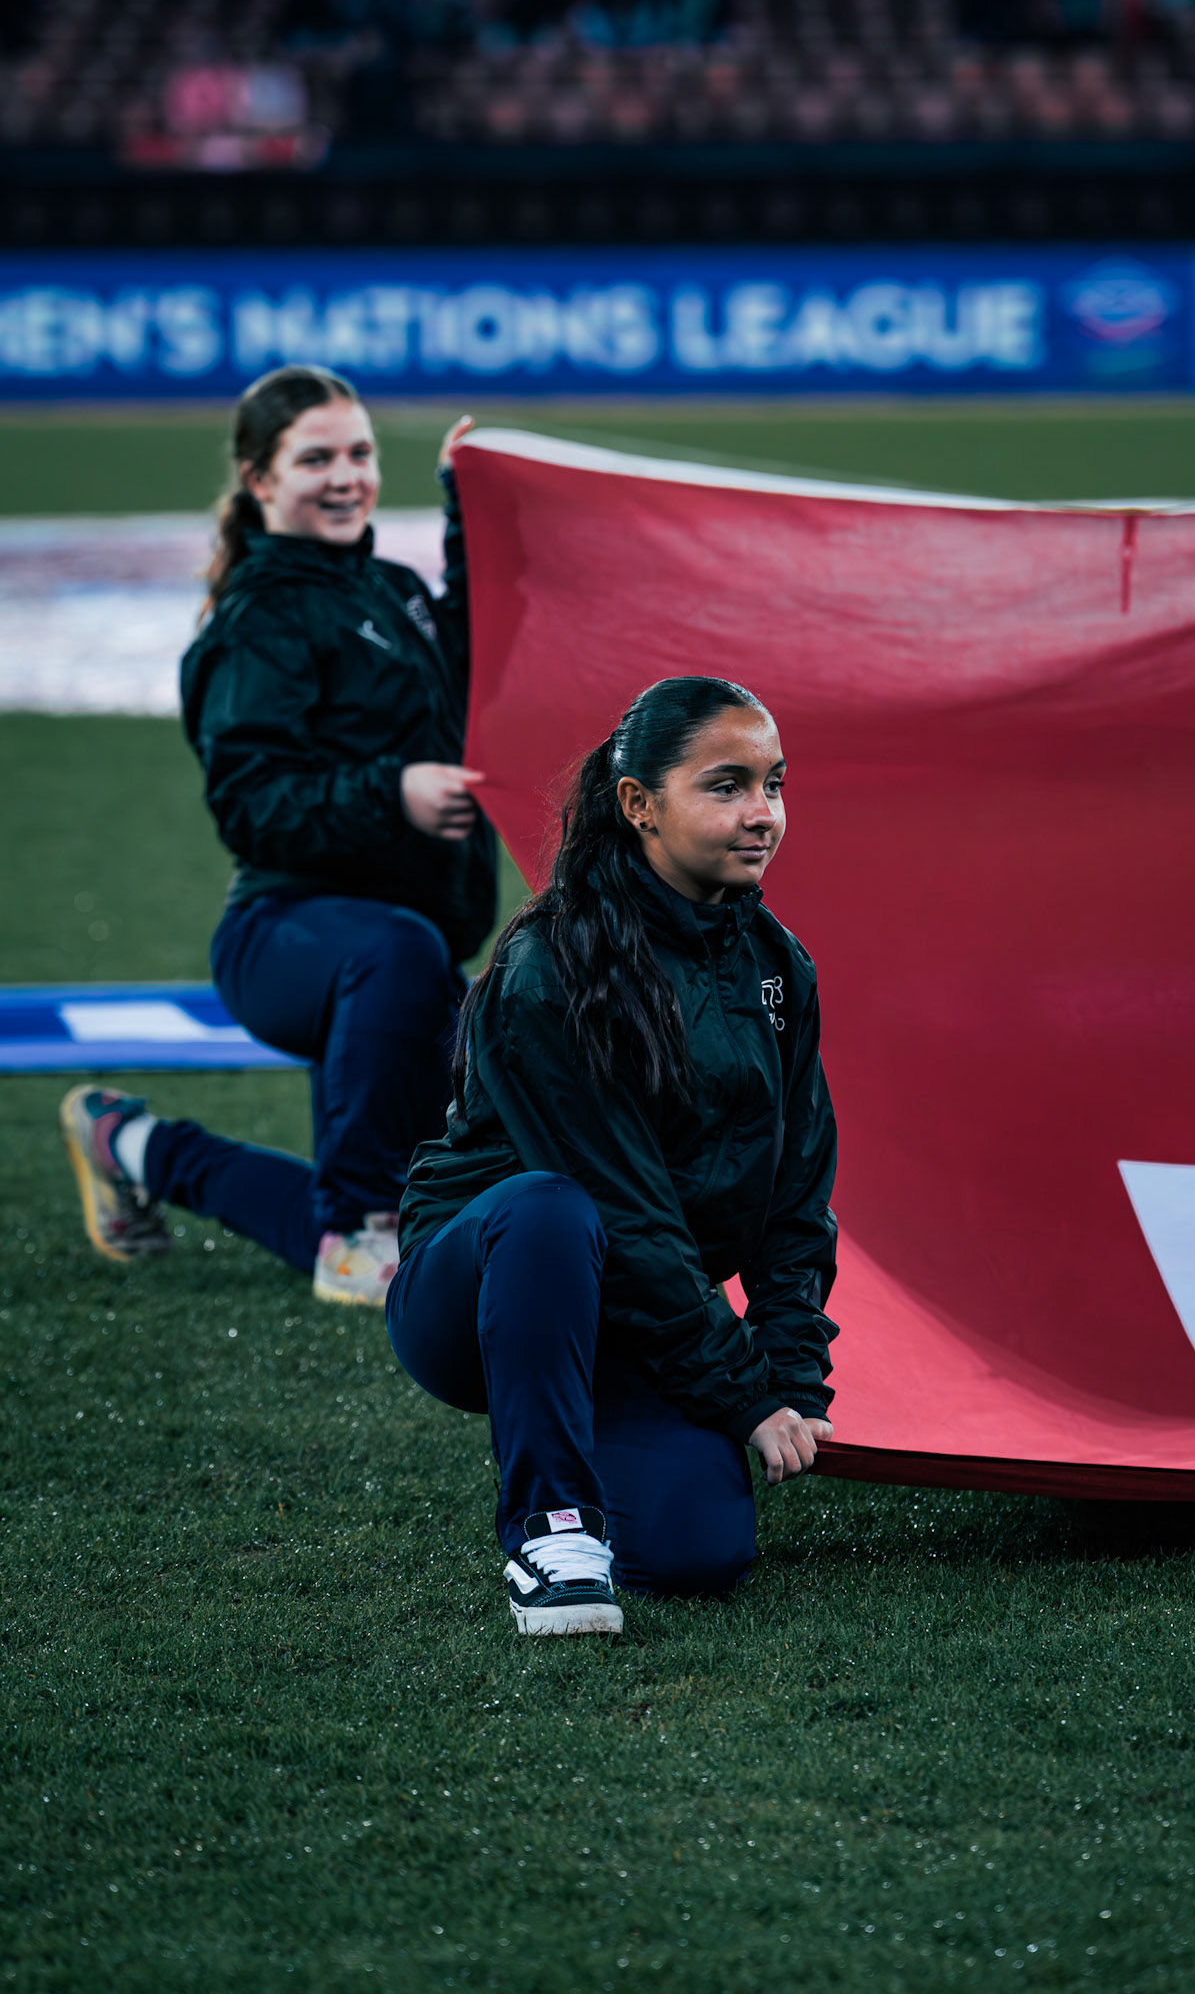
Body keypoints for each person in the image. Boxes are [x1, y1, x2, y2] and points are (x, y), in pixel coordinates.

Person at [390, 675, 839, 1636]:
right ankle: (550, 1531)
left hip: (633, 1318)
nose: (762, 814)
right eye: (725, 786)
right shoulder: (550, 965)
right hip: (474, 1303)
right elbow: (622, 1209)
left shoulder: (777, 964)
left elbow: (798, 1191)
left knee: (698, 1554)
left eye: (775, 784)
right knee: (551, 1205)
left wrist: (792, 1373)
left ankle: (583, 1435)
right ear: (639, 805)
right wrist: (742, 1391)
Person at [60, 364, 498, 1306]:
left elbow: (481, 658)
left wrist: (474, 512)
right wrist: (396, 791)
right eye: (316, 459)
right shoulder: (259, 616)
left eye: (361, 453)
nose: (346, 476)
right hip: (291, 937)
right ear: (261, 479)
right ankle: (355, 1232)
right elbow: (250, 804)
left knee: (456, 1207)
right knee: (380, 1212)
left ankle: (130, 1143)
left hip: (403, 955)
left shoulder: (388, 586)